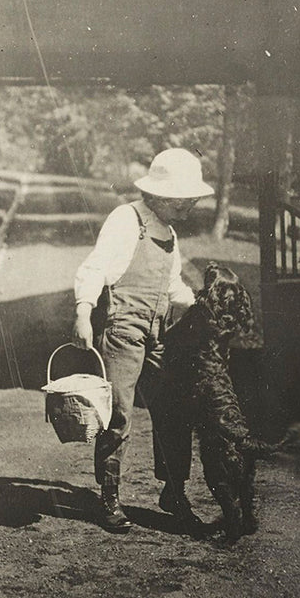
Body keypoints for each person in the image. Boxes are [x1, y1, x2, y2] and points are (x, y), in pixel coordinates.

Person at [72, 148, 214, 532]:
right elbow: (96, 267)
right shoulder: (126, 220)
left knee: (173, 407)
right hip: (122, 331)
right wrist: (84, 312)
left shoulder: (168, 233)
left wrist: (202, 305)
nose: (191, 205)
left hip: (157, 333)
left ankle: (174, 491)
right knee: (119, 413)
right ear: (163, 195)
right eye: (185, 199)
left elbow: (172, 288)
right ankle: (110, 497)